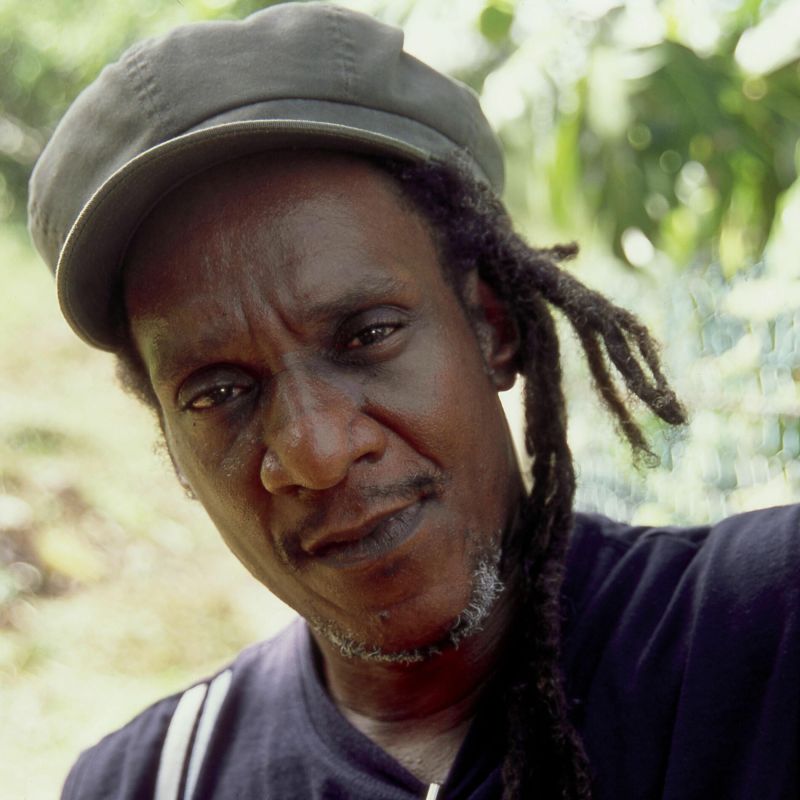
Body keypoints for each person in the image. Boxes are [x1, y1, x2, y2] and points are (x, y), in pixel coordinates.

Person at [27, 4, 799, 799]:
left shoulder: (765, 635)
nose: (317, 452)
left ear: (492, 326)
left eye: (369, 334)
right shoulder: (150, 783)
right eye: (219, 393)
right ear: (173, 449)